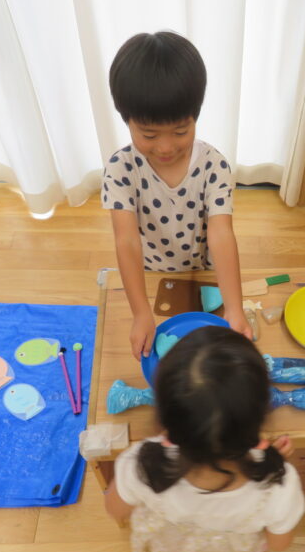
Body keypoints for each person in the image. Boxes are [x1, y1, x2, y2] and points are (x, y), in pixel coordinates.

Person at [104, 326, 305, 552]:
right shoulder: (279, 485)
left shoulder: (141, 463)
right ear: (258, 420)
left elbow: (115, 508)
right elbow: (279, 543)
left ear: (165, 417)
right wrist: (268, 462)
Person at [103, 31, 250, 360]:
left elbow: (221, 233)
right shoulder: (120, 168)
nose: (166, 147)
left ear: (195, 116)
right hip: (153, 275)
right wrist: (141, 313)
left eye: (181, 131)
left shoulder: (214, 165)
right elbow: (126, 241)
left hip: (204, 269)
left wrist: (236, 309)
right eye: (149, 134)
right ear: (126, 120)